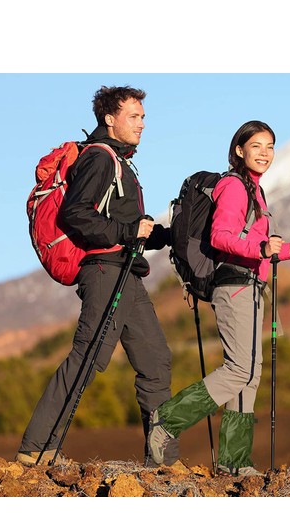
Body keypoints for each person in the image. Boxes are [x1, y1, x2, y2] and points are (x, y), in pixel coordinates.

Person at [16, 85, 179, 467]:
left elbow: (130, 228)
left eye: (143, 116)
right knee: (88, 355)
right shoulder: (99, 158)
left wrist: (171, 234)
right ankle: (35, 451)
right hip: (105, 272)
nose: (142, 124)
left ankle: (164, 462)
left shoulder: (122, 162)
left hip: (127, 272)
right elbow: (77, 214)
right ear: (110, 118)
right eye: (133, 116)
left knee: (156, 361)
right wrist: (128, 233)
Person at [148, 120, 290, 476]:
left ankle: (233, 462)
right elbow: (222, 236)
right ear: (239, 150)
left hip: (252, 285)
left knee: (249, 375)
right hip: (234, 286)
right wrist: (259, 246)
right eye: (256, 146)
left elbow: (260, 250)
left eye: (270, 146)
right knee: (240, 368)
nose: (265, 153)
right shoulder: (234, 186)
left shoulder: (256, 192)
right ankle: (167, 420)